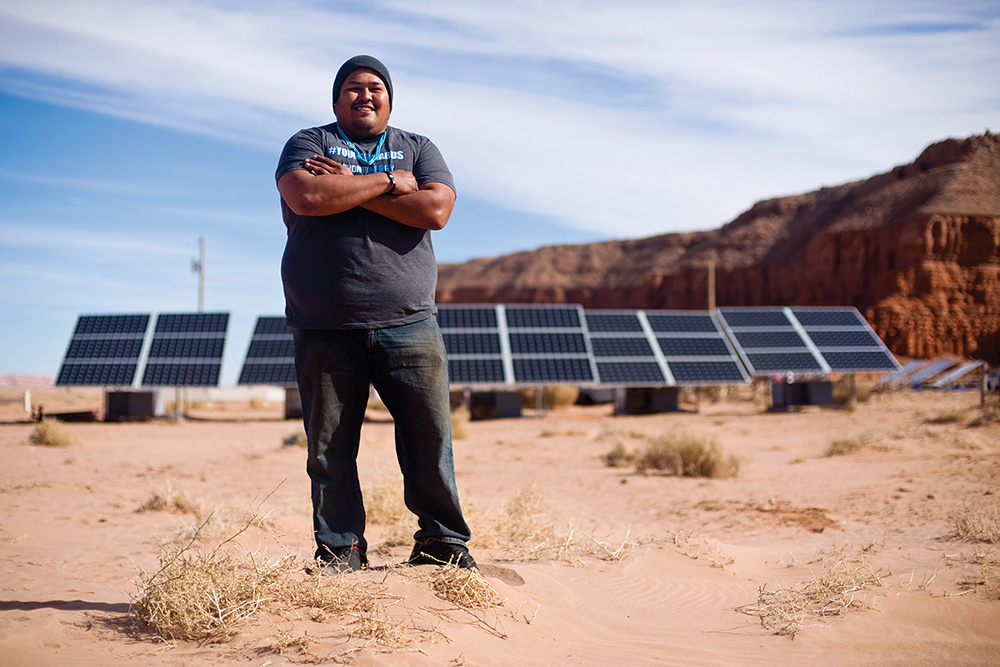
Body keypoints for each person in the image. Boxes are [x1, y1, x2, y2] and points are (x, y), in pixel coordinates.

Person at [275, 55, 475, 572]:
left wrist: (352, 185)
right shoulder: (309, 143)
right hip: (325, 322)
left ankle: (442, 542)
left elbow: (435, 210)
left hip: (410, 321)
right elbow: (308, 194)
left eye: (375, 87)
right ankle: (341, 548)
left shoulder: (419, 147)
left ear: (389, 98)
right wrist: (390, 183)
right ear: (336, 98)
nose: (365, 96)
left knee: (428, 439)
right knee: (329, 448)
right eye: (353, 88)